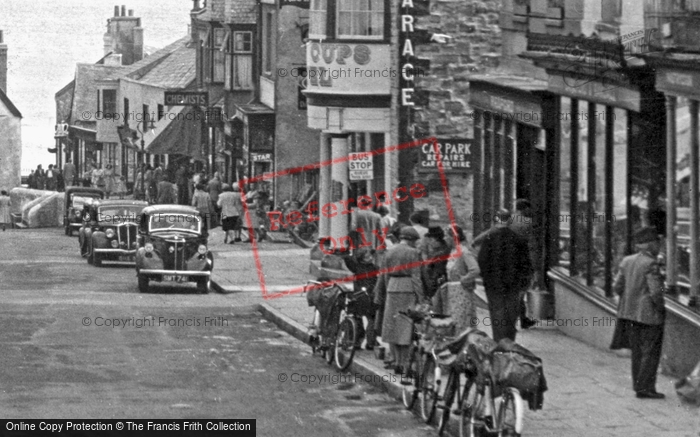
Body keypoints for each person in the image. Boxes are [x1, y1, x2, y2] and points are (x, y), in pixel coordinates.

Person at [610, 227, 666, 399]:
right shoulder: (651, 263)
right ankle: (646, 388)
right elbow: (656, 291)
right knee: (650, 352)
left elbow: (617, 286)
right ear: (650, 245)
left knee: (638, 352)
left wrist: (629, 298)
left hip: (629, 314)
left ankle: (638, 385)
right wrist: (661, 308)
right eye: (657, 243)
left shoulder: (627, 260)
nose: (659, 247)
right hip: (648, 315)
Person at [373, 226, 427, 374]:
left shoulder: (389, 252)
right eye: (415, 241)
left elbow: (383, 275)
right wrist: (421, 299)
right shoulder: (414, 253)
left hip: (391, 288)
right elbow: (416, 277)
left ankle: (396, 361)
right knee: (405, 328)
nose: (415, 244)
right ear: (410, 240)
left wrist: (381, 293)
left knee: (392, 326)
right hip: (407, 289)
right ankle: (404, 364)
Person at [476, 209, 532, 342]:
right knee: (511, 314)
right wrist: (523, 284)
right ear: (510, 220)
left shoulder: (489, 237)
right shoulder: (519, 239)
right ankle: (509, 341)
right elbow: (526, 264)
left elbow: (482, 261)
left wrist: (486, 278)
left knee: (497, 314)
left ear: (496, 219)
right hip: (513, 284)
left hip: (494, 284)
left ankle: (499, 341)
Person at [433, 226, 480, 333]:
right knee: (454, 322)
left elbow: (475, 269)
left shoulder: (463, 251)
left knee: (461, 322)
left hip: (462, 292)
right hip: (453, 293)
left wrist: (464, 280)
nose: (444, 238)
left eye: (446, 236)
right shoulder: (454, 251)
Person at [341, 247, 379, 350]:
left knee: (372, 319)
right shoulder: (357, 267)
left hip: (370, 296)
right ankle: (357, 341)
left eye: (371, 256)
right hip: (359, 295)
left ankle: (370, 341)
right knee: (358, 319)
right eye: (367, 256)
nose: (370, 258)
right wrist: (347, 252)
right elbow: (347, 259)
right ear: (361, 258)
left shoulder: (374, 268)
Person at [422, 225, 451, 299]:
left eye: (431, 240)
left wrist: (430, 292)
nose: (429, 243)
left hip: (438, 289)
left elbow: (437, 275)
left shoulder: (440, 254)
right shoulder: (444, 250)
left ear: (437, 239)